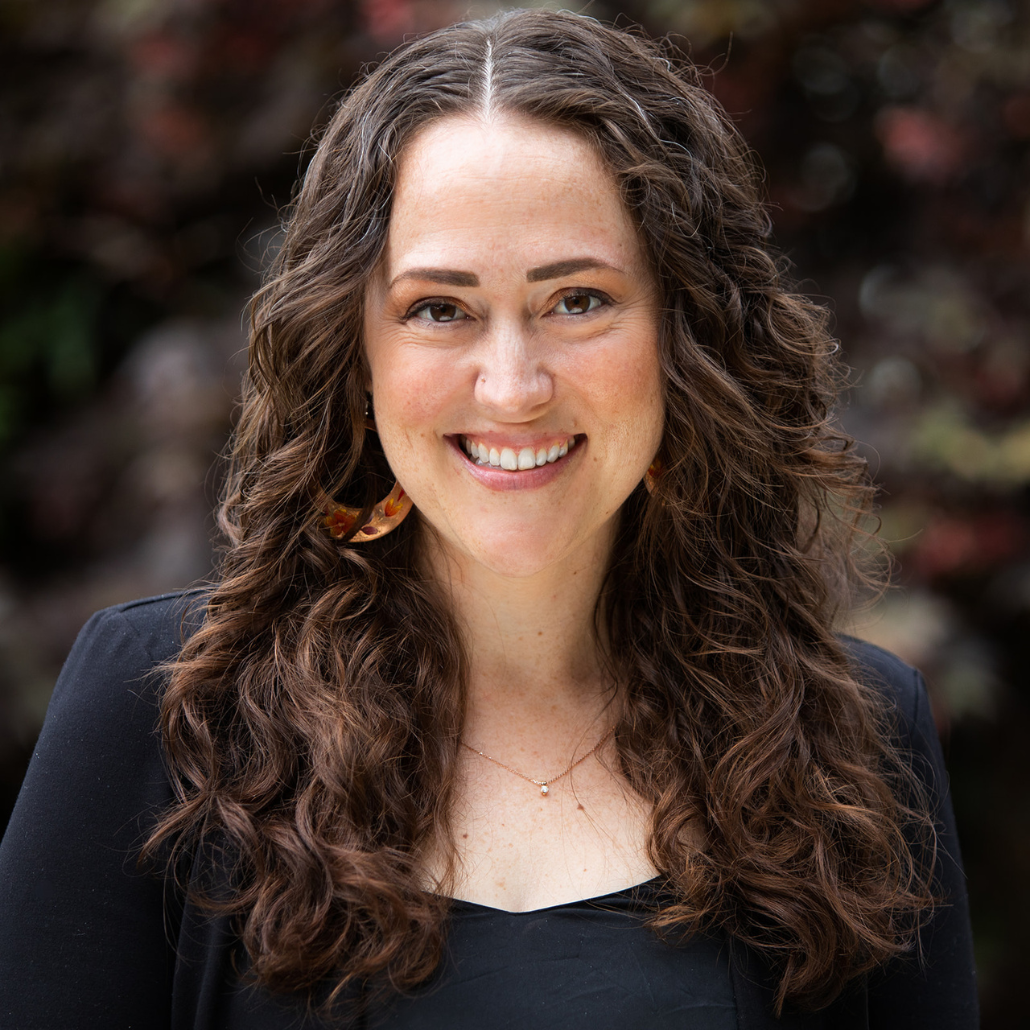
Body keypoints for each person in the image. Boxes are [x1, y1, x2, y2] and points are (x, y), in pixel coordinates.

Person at [0, 9, 977, 1028]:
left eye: (577, 301)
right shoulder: (165, 715)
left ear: (683, 330)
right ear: (355, 350)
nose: (512, 387)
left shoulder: (853, 741)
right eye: (438, 308)